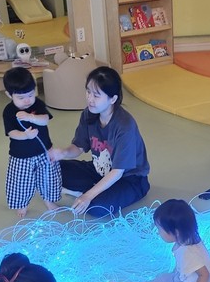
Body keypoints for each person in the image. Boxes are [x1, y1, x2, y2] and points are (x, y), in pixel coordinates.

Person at [48, 66, 150, 216]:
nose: (90, 99)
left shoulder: (124, 126)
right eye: (88, 92)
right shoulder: (89, 114)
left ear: (113, 99)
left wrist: (88, 196)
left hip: (129, 179)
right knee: (52, 168)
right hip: (100, 169)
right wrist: (61, 153)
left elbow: (117, 171)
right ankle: (96, 189)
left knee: (97, 208)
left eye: (96, 95)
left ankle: (93, 191)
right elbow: (79, 147)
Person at [2, 66, 62, 218]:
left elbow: (45, 119)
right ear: (9, 95)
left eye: (30, 95)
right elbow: (11, 133)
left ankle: (48, 200)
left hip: (44, 150)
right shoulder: (9, 111)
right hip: (21, 155)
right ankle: (22, 204)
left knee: (48, 177)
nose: (27, 100)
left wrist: (31, 117)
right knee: (21, 181)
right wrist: (25, 135)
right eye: (21, 98)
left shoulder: (38, 104)